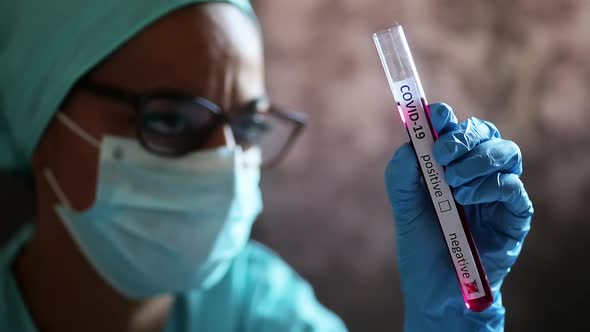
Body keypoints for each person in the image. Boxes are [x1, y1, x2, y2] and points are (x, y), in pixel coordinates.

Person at [0, 0, 533, 331]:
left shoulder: (263, 311)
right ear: (41, 121)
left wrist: (451, 326)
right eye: (167, 119)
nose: (223, 163)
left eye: (249, 127)